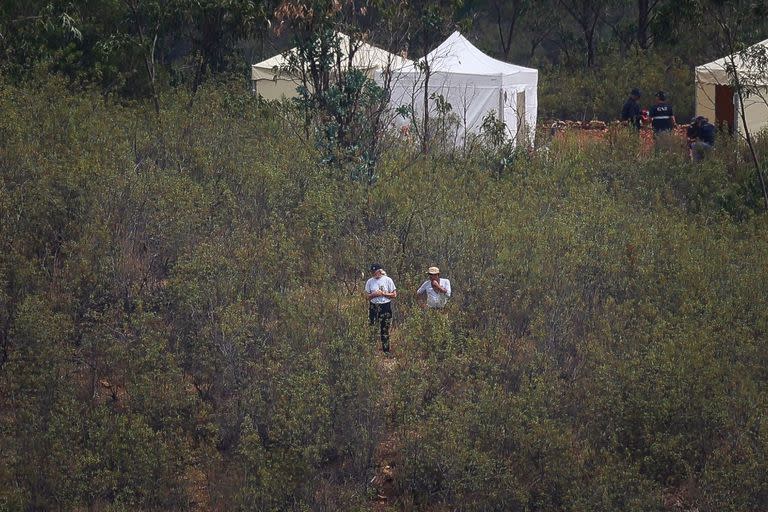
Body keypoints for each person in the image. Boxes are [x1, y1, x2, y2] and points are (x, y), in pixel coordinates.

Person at [365, 263, 397, 353]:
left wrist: (383, 294)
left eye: (375, 272)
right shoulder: (369, 282)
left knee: (384, 329)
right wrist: (374, 294)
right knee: (372, 327)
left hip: (385, 306)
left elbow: (394, 294)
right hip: (374, 306)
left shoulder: (388, 280)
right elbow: (366, 296)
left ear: (380, 271)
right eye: (372, 272)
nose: (374, 273)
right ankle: (371, 350)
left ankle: (386, 350)